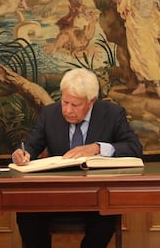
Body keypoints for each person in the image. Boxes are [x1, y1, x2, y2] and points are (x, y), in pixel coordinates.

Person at [12, 68, 143, 248]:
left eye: (75, 105)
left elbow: (134, 148)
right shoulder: (50, 114)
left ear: (91, 102)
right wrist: (21, 153)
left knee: (107, 215)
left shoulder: (112, 113)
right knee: (26, 213)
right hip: (54, 195)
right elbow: (31, 145)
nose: (67, 110)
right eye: (65, 102)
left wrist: (98, 148)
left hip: (95, 196)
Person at [101, 0, 160, 98]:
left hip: (145, 33)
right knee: (135, 59)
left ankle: (157, 87)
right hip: (133, 33)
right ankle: (141, 85)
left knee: (148, 59)